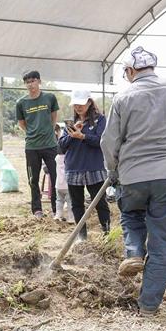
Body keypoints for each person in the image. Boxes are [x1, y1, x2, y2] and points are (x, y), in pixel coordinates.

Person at [101, 46, 166, 315]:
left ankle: (134, 251)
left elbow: (109, 140)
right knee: (163, 241)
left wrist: (113, 170)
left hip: (133, 175)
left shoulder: (123, 97)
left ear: (130, 71)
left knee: (132, 216)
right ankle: (148, 305)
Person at [59, 89, 110, 239]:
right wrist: (73, 134)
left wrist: (83, 136)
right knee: (77, 204)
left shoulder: (100, 120)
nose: (78, 107)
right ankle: (82, 237)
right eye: (75, 104)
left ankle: (106, 234)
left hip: (94, 167)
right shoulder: (70, 123)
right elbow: (61, 146)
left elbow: (102, 141)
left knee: (100, 202)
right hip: (74, 168)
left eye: (81, 104)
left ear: (89, 102)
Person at [16, 70, 59, 218]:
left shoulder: (50, 98)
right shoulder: (21, 103)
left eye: (33, 81)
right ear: (25, 84)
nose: (31, 84)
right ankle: (37, 209)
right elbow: (22, 123)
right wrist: (32, 132)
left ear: (39, 81)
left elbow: (54, 117)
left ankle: (56, 208)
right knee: (33, 179)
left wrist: (49, 131)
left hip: (50, 145)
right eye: (27, 82)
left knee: (56, 176)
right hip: (32, 147)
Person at [53, 124, 73, 223]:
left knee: (59, 201)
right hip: (68, 184)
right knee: (70, 202)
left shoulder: (57, 158)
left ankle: (58, 215)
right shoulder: (68, 159)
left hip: (58, 185)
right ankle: (70, 218)